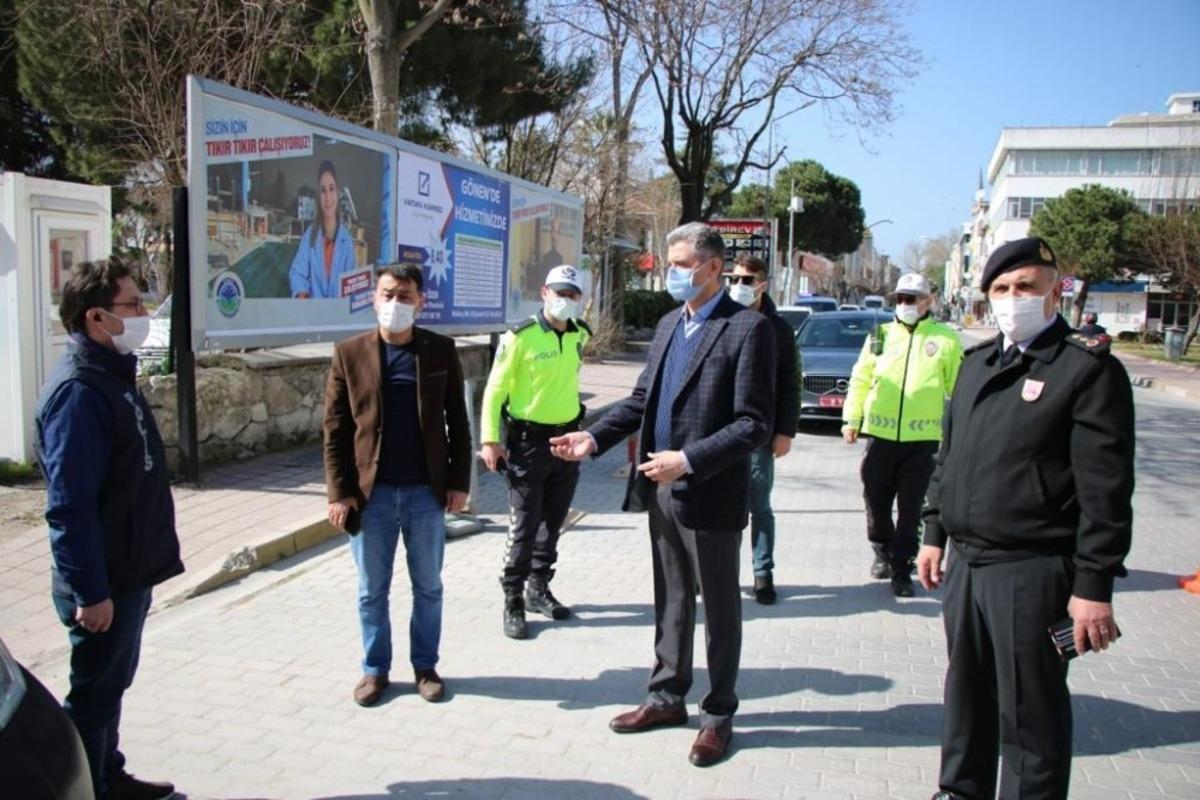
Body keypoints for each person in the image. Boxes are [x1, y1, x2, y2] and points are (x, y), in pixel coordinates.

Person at [916, 237, 1135, 800]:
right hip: (966, 563)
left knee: (1028, 713)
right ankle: (959, 791)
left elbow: (1105, 492)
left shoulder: (1084, 370)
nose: (1012, 298)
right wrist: (933, 532)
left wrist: (1094, 586)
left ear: (1054, 291)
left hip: (1032, 569)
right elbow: (950, 459)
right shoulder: (977, 364)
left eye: (1026, 287)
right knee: (964, 695)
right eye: (1001, 289)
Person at [550, 222, 775, 768]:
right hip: (661, 490)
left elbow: (753, 424)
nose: (672, 272)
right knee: (671, 600)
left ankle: (718, 715)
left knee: (719, 609)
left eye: (680, 264)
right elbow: (642, 399)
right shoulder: (672, 322)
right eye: (670, 262)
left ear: (713, 267)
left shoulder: (748, 329)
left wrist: (690, 459)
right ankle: (665, 697)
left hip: (711, 493)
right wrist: (594, 435)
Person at [36, 259, 183, 800]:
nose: (144, 314)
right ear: (97, 317)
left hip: (127, 568)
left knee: (111, 686)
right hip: (103, 581)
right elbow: (69, 508)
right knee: (93, 694)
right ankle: (80, 787)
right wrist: (91, 591)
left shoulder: (110, 375)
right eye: (134, 305)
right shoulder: (79, 393)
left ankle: (107, 776)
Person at [323, 263, 472, 707]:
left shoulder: (440, 351)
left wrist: (459, 482)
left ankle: (425, 666)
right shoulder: (349, 353)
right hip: (372, 496)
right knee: (372, 590)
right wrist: (339, 492)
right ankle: (375, 670)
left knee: (428, 586)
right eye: (387, 294)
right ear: (374, 298)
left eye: (405, 296)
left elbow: (458, 425)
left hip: (426, 493)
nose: (395, 304)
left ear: (421, 302)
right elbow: (334, 429)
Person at [480, 265, 590, 639]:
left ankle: (538, 588)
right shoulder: (521, 336)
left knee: (554, 521)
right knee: (524, 524)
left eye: (572, 295)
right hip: (528, 443)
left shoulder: (580, 335)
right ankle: (512, 597)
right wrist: (489, 440)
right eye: (559, 293)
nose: (565, 300)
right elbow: (495, 390)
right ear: (544, 292)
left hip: (568, 441)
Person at [842, 272, 963, 597]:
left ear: (928, 301)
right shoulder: (880, 335)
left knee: (912, 510)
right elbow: (861, 379)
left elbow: (960, 390)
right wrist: (851, 419)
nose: (905, 304)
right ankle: (881, 548)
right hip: (880, 438)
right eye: (901, 298)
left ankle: (901, 568)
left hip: (922, 444)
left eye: (912, 298)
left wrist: (962, 434)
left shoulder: (946, 341)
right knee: (876, 502)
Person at [726, 255, 798, 604]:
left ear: (762, 284)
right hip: (720, 432)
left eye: (747, 280)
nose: (739, 286)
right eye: (735, 279)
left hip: (758, 431)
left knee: (759, 504)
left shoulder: (778, 328)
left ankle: (762, 572)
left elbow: (790, 383)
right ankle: (716, 571)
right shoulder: (721, 318)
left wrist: (785, 430)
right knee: (723, 506)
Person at [290, 159, 357, 298]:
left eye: (331, 189)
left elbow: (352, 287)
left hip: (339, 317)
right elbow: (297, 274)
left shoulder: (347, 241)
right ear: (318, 196)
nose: (328, 197)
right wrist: (302, 294)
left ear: (337, 193)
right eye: (323, 190)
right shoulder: (310, 237)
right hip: (314, 318)